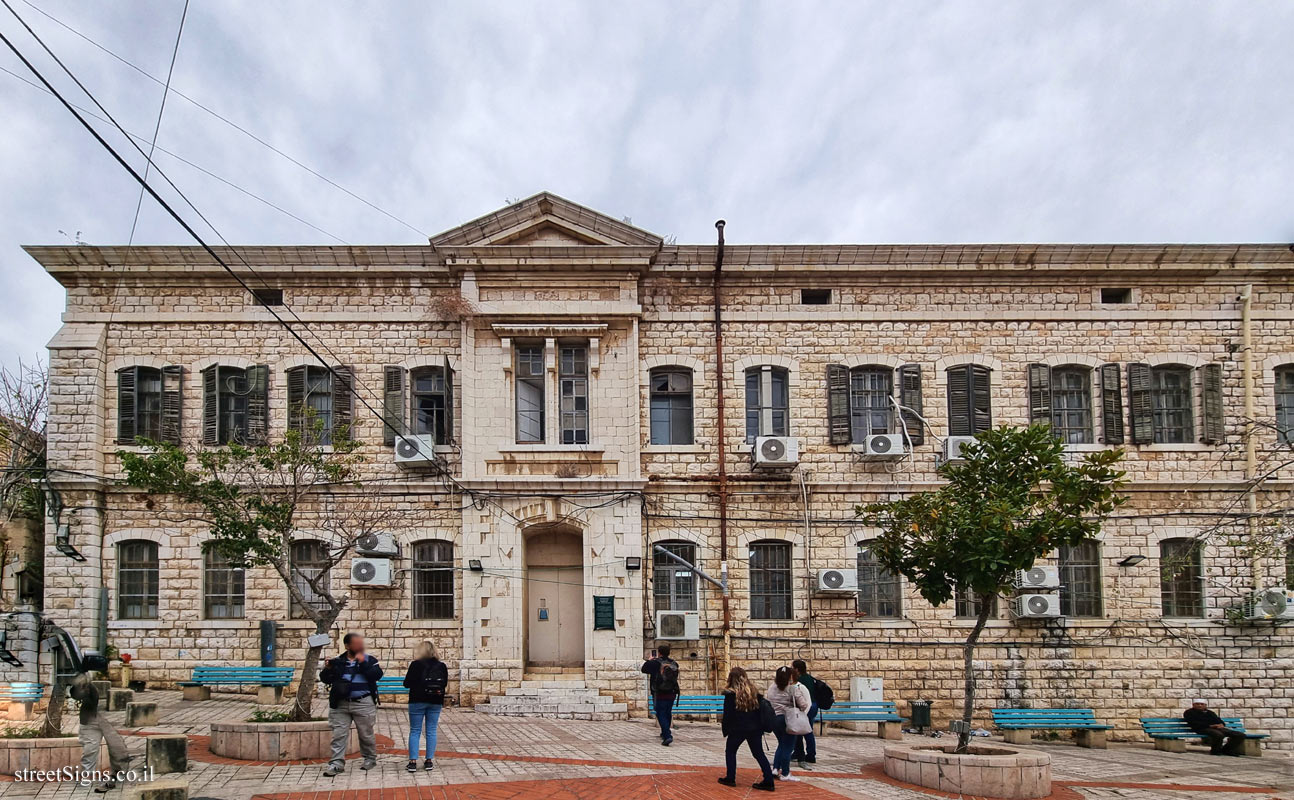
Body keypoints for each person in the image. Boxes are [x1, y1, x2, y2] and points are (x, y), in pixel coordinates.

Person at [319, 632, 383, 776]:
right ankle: (336, 764)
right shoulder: (338, 661)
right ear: (347, 645)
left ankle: (369, 759)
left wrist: (363, 663)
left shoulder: (370, 660)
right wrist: (328, 669)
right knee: (339, 735)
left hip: (363, 702)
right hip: (340, 704)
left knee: (365, 734)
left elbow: (376, 675)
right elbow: (325, 679)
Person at [68, 675, 131, 793]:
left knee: (117, 749)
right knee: (90, 750)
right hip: (90, 721)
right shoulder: (88, 687)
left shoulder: (94, 687)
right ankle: (86, 777)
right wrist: (78, 685)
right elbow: (75, 695)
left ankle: (116, 777)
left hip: (110, 720)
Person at [717, 667, 775, 791]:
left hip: (737, 728)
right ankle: (769, 780)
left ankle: (730, 777)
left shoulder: (730, 695)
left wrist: (726, 729)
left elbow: (728, 715)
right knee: (758, 753)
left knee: (731, 751)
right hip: (755, 728)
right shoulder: (753, 692)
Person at [403, 640, 449, 773]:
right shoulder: (441, 666)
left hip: (417, 700)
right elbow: (444, 683)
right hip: (435, 700)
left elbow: (406, 683)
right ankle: (429, 761)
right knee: (431, 730)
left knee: (415, 730)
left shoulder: (415, 665)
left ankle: (412, 762)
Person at [765, 665, 811, 781]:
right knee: (788, 747)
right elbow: (803, 704)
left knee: (781, 744)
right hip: (787, 719)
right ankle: (785, 773)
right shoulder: (792, 688)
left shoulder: (771, 688)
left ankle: (775, 768)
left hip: (774, 719)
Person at [641, 643, 681, 745]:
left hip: (659, 693)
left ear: (659, 653)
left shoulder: (655, 663)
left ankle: (667, 735)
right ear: (669, 653)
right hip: (672, 692)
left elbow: (643, 669)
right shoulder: (674, 663)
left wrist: (650, 660)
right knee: (667, 712)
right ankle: (664, 733)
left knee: (660, 713)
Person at [790, 659, 817, 767]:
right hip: (813, 705)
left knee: (805, 730)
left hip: (806, 707)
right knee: (806, 730)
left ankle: (809, 755)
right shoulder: (810, 678)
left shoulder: (800, 680)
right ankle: (805, 753)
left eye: (792, 667)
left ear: (796, 669)